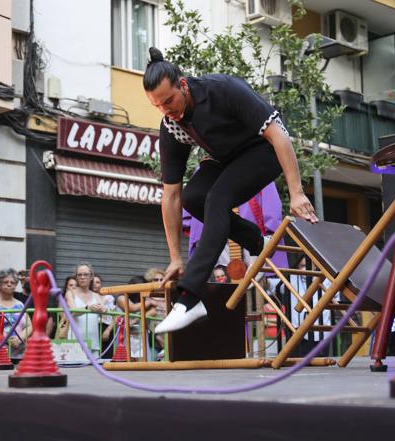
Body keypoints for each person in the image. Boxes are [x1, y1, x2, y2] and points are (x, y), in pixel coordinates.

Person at [143, 47, 318, 334]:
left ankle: (189, 299)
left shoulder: (222, 90)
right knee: (193, 198)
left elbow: (279, 136)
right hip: (226, 159)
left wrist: (296, 193)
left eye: (169, 101)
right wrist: (175, 257)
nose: (166, 111)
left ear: (183, 85)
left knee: (217, 199)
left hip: (265, 150)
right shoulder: (172, 127)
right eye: (158, 106)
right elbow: (171, 195)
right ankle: (257, 240)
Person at [0, 268, 32, 361]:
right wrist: (8, 339)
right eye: (6, 282)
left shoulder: (20, 304)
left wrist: (19, 339)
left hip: (18, 353)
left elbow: (29, 326)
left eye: (13, 282)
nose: (9, 284)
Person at [65, 263, 107, 355]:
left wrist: (103, 309)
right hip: (75, 342)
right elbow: (73, 311)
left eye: (85, 274)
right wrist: (88, 308)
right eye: (79, 275)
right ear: (76, 277)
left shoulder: (96, 295)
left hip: (93, 343)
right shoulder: (70, 293)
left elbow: (104, 310)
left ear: (91, 277)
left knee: (93, 369)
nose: (82, 277)